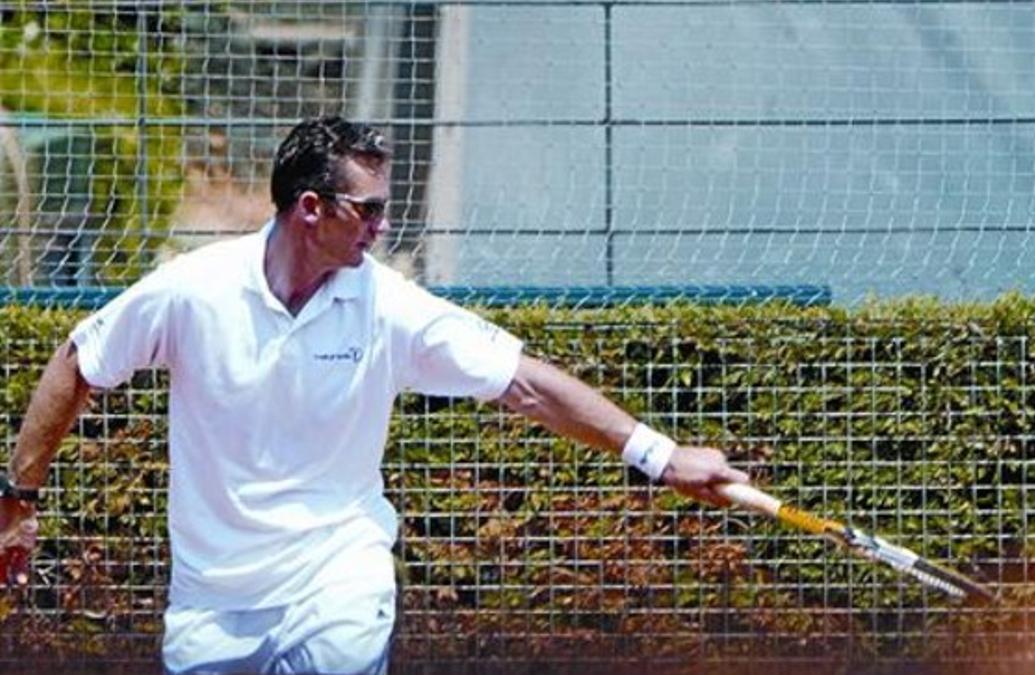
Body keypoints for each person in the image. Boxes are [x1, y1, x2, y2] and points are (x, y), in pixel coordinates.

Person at [0, 116, 749, 673]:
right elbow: (78, 360)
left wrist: (660, 454)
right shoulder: (193, 293)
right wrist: (19, 499)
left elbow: (523, 382)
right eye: (370, 209)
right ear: (310, 209)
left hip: (338, 580)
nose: (384, 227)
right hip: (211, 601)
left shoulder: (388, 304)